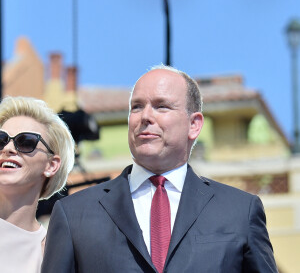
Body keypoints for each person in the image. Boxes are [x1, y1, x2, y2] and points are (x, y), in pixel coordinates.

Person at [42, 65, 278, 273]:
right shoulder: (74, 214)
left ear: (194, 125)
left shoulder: (239, 212)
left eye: (161, 106)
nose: (145, 116)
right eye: (136, 107)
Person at [0, 96, 75, 273]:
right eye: (1, 139)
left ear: (51, 165)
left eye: (26, 142)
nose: (8, 148)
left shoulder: (54, 255)